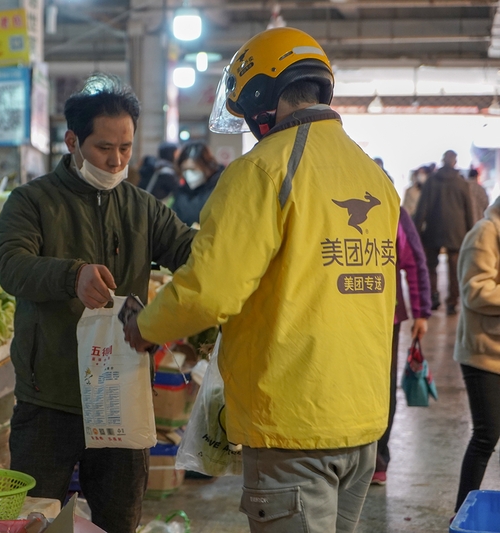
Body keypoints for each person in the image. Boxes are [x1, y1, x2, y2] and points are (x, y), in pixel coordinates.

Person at [124, 27, 399, 532]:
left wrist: (145, 325)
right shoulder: (374, 177)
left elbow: (210, 290)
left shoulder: (263, 170)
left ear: (259, 97)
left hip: (294, 421)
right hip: (363, 420)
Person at [0, 74, 195, 533]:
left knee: (119, 521)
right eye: (105, 147)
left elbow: (192, 255)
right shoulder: (32, 201)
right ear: (73, 141)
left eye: (125, 147)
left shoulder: (143, 208)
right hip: (50, 399)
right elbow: (10, 264)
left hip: (121, 396)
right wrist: (71, 275)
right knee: (33, 520)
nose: (117, 159)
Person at [372, 207, 431, 485]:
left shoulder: (391, 209)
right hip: (338, 315)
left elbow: (415, 261)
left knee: (382, 386)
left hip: (385, 317)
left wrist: (421, 312)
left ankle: (377, 460)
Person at [454, 194, 500, 513]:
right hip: (483, 353)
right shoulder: (485, 232)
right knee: (486, 436)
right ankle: (461, 512)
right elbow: (475, 290)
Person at [413, 150, 473, 315]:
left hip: (433, 229)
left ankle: (433, 296)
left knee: (431, 266)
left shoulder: (431, 181)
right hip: (457, 231)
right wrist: (471, 233)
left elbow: (421, 209)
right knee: (455, 268)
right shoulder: (462, 183)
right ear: (455, 162)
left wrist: (416, 231)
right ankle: (452, 301)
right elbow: (469, 211)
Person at [172, 142, 225, 226]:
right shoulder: (181, 192)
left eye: (193, 169)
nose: (188, 174)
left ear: (207, 167)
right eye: (185, 169)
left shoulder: (220, 189)